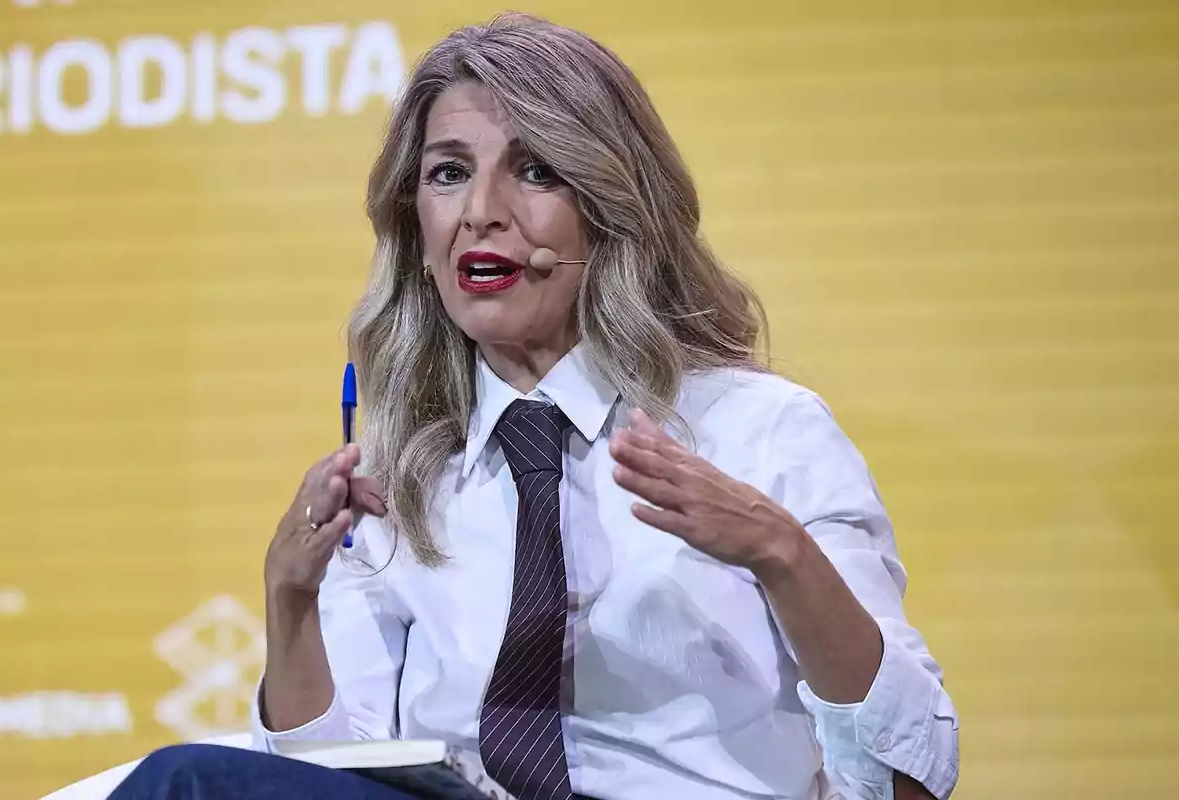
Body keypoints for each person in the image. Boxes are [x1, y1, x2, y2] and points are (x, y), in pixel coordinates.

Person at [112, 12, 958, 800]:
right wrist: (290, 601)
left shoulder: (760, 432)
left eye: (536, 170)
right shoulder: (397, 477)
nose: (482, 213)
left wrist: (780, 552)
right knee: (184, 785)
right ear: (417, 230)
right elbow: (328, 781)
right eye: (449, 174)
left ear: (613, 205)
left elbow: (907, 779)